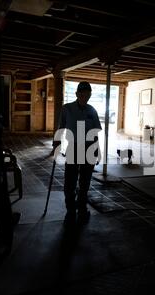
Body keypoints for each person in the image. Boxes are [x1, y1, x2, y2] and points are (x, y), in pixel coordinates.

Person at [53, 81, 102, 225]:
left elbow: (95, 133)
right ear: (76, 94)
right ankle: (70, 210)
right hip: (73, 147)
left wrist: (97, 150)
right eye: (82, 93)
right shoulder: (67, 109)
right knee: (70, 181)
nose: (84, 96)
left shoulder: (92, 110)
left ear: (90, 95)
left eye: (87, 94)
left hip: (89, 147)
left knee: (85, 182)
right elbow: (60, 128)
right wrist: (56, 144)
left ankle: (81, 207)